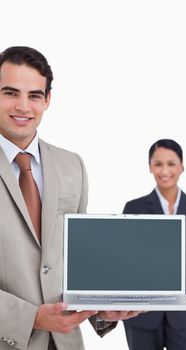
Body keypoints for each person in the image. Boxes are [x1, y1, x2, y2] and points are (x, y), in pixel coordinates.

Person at [0, 46, 139, 350]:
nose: (23, 106)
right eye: (10, 92)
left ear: (47, 100)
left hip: (66, 343)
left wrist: (102, 310)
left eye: (35, 95)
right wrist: (29, 318)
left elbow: (79, 259)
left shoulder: (71, 165)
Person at [123, 139, 186, 350]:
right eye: (158, 164)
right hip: (142, 313)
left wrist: (179, 287)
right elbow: (127, 259)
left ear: (182, 166)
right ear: (150, 167)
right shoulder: (134, 207)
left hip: (185, 314)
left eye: (171, 164)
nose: (165, 171)